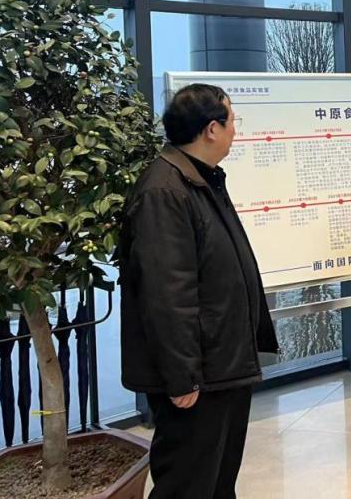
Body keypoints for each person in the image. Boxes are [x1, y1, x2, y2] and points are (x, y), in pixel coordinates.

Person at [119, 84, 278, 499]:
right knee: (188, 484)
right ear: (211, 129)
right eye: (233, 121)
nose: (235, 130)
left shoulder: (199, 179)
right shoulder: (165, 190)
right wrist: (183, 377)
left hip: (222, 363)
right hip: (200, 375)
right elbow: (167, 293)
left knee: (218, 480)